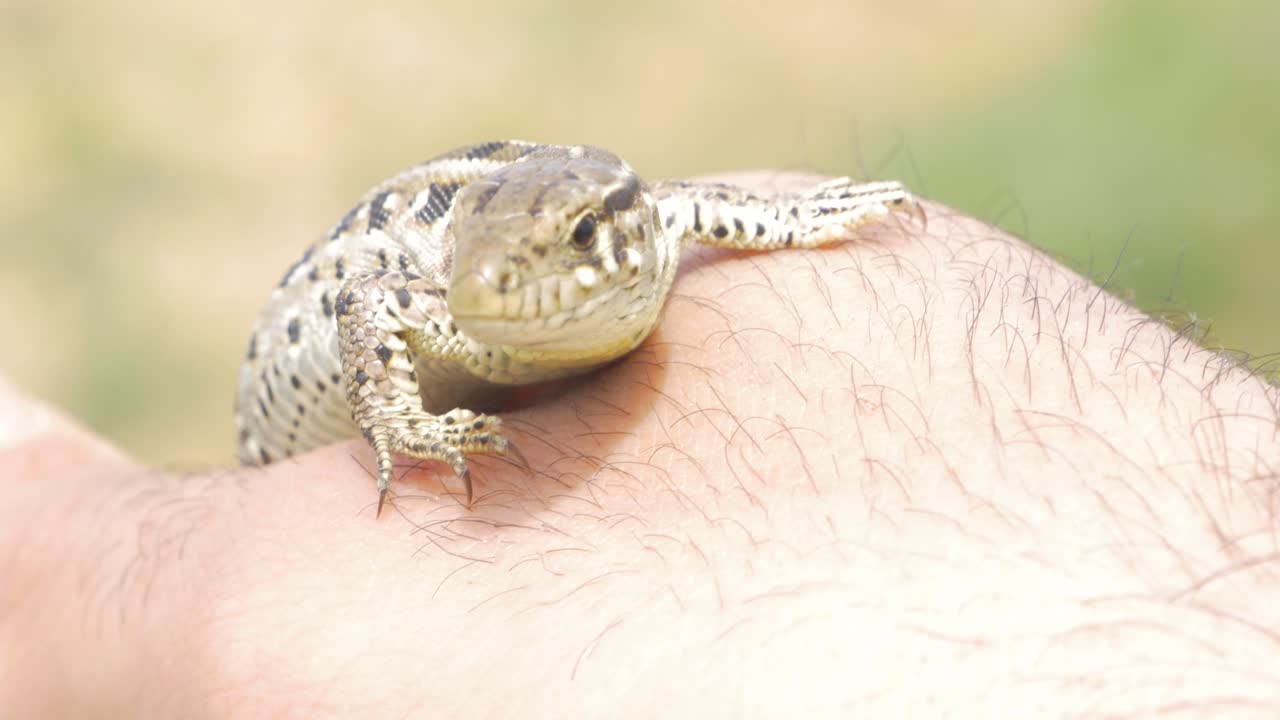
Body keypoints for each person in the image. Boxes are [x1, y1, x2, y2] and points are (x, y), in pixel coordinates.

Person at [2, 173, 1277, 717]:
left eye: (551, 256)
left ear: (621, 236)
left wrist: (800, 225)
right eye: (484, 269)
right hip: (282, 430)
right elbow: (370, 304)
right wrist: (402, 422)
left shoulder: (648, 223)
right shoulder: (453, 273)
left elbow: (683, 208)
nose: (504, 283)